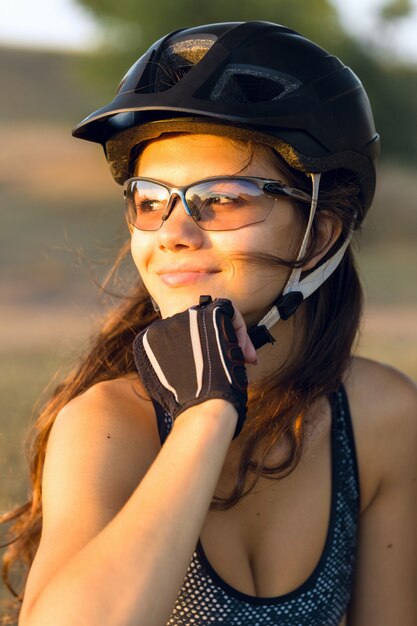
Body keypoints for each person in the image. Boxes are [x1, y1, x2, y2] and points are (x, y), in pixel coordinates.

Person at [1, 21, 416, 626]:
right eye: (150, 199)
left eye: (221, 198)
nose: (171, 234)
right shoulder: (111, 422)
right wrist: (204, 417)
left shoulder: (381, 417)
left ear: (320, 233)